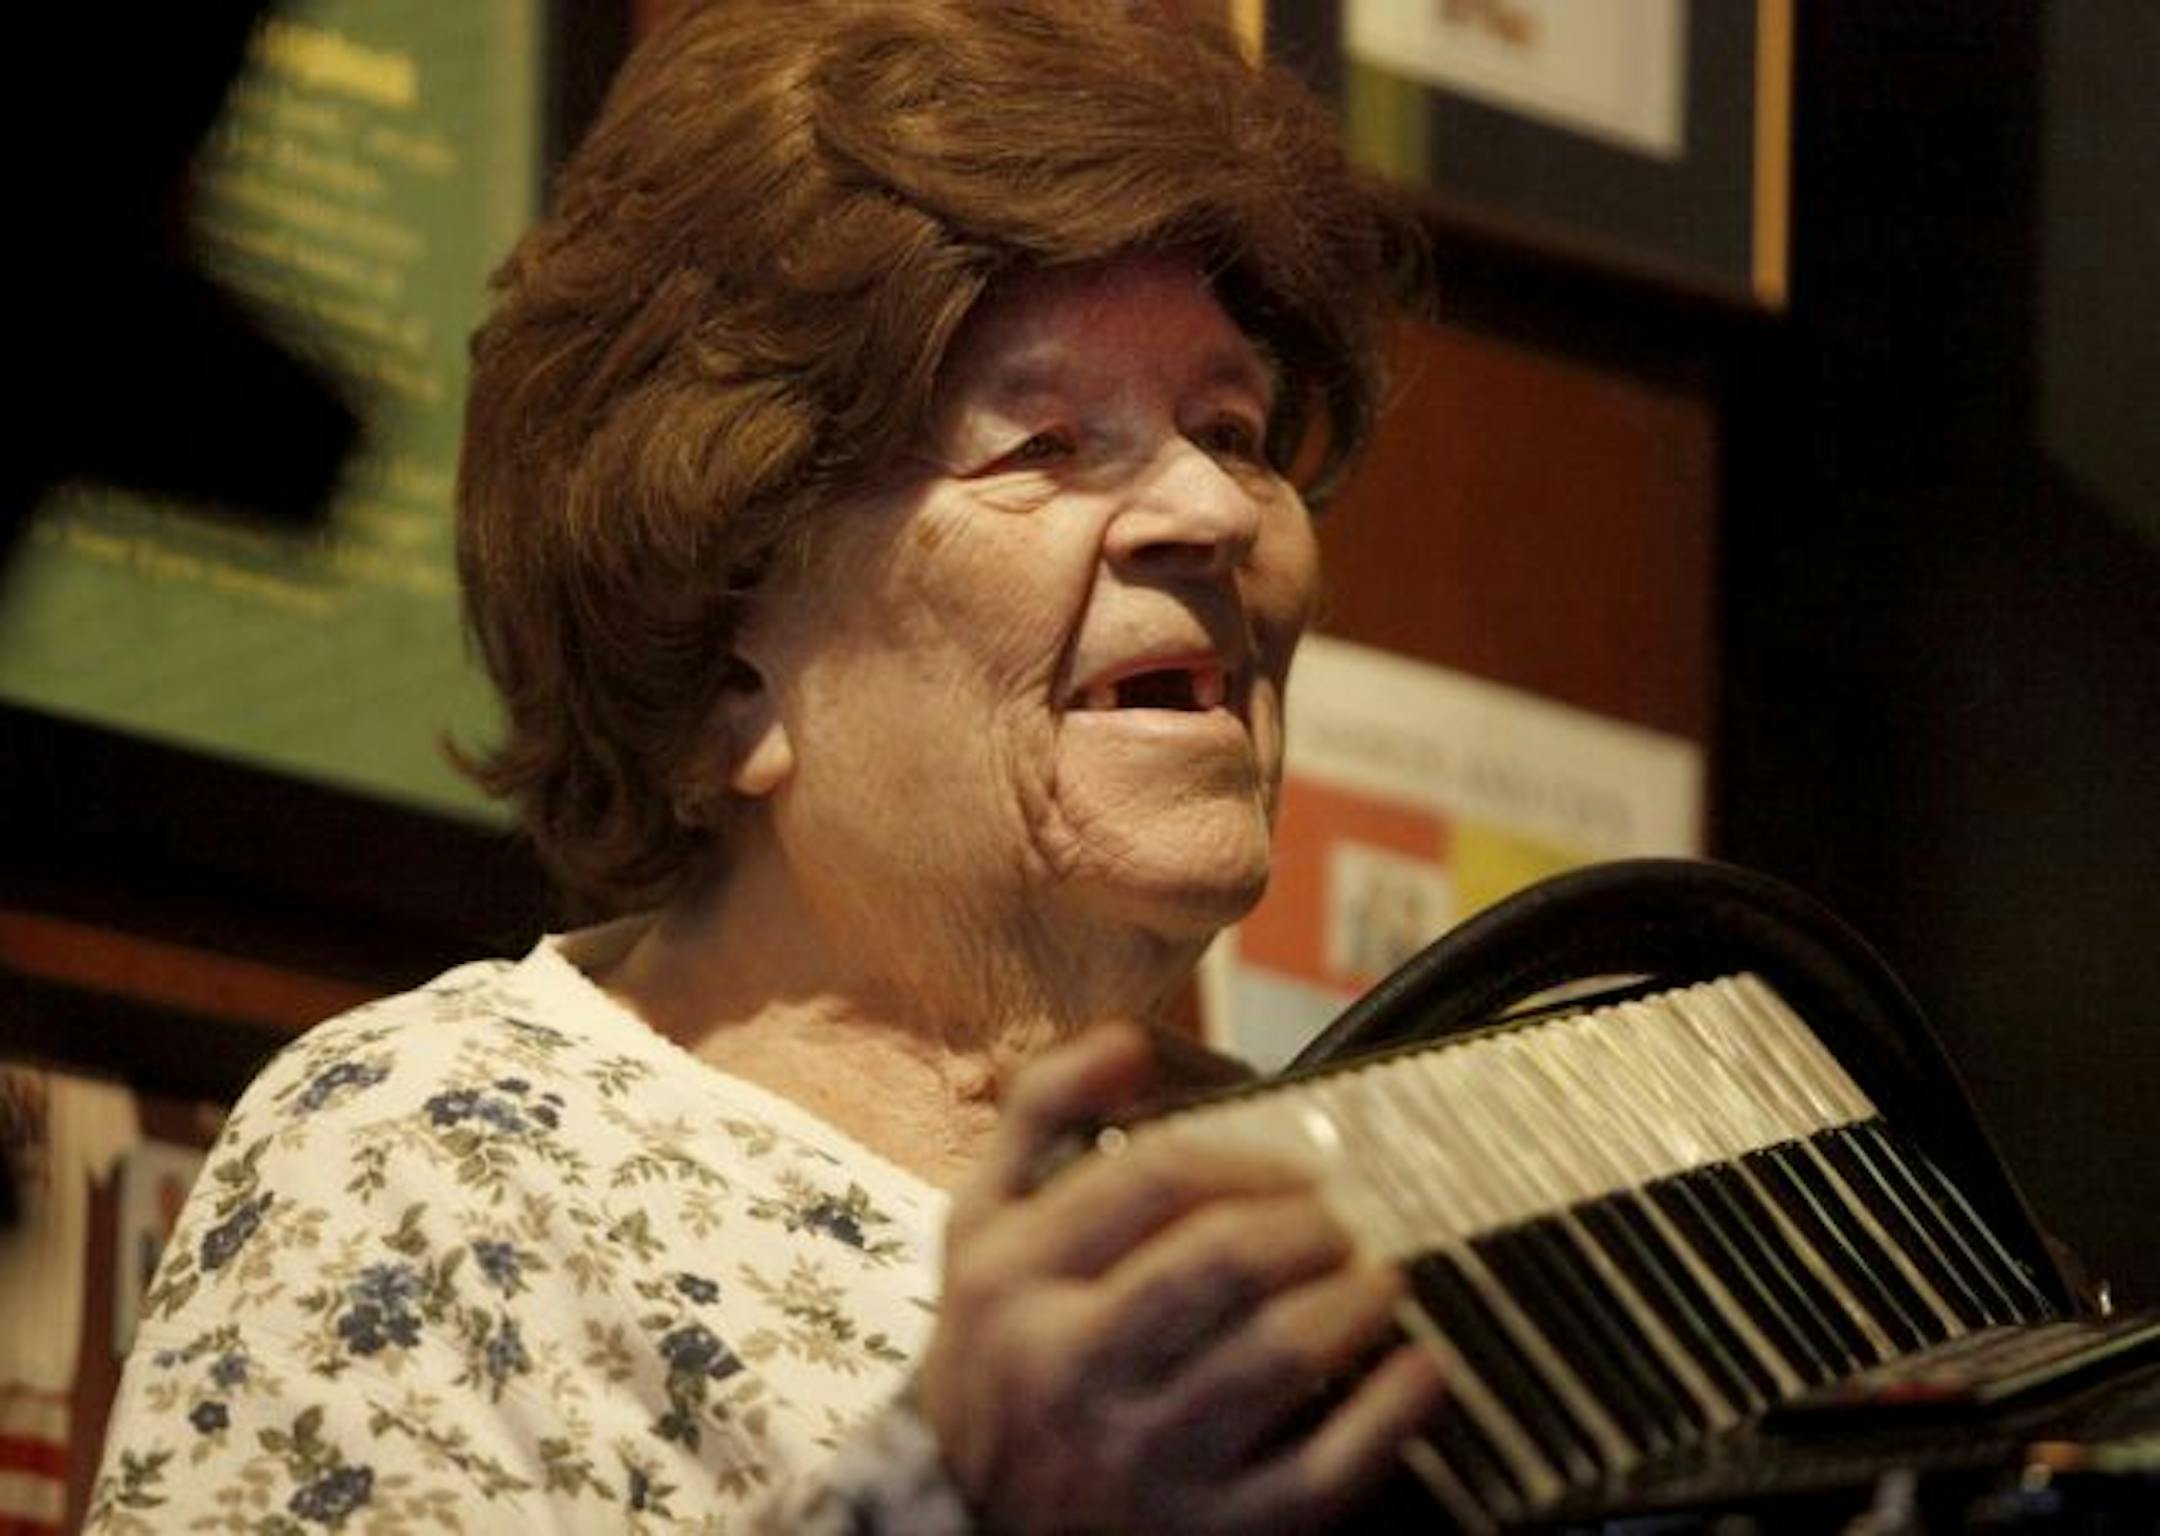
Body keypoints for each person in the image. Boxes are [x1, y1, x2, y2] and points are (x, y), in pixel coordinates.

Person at [89, 0, 1432, 1529]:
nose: (1215, 510)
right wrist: (963, 1504)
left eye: (1233, 429)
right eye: (1046, 445)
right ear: (730, 666)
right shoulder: (436, 1162)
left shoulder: (1324, 1192)